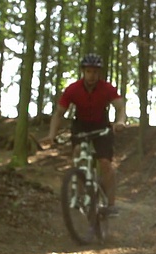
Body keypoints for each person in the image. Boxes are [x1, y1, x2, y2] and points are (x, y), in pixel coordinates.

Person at [42, 53, 126, 215]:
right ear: (83, 72)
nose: (92, 75)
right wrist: (51, 135)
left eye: (95, 72)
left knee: (105, 163)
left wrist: (120, 121)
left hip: (101, 125)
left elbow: (120, 107)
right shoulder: (73, 89)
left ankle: (111, 204)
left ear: (99, 73)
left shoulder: (107, 88)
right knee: (78, 152)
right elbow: (58, 113)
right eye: (88, 71)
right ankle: (79, 192)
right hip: (80, 125)